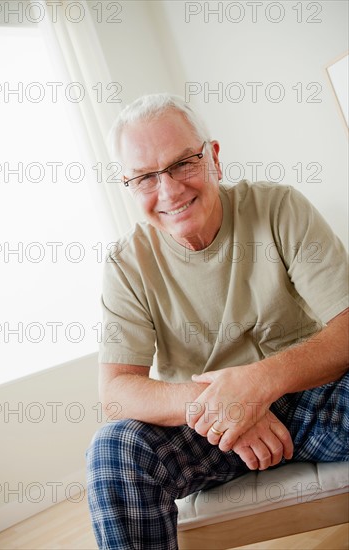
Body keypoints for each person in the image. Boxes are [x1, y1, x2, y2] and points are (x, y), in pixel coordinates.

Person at [86, 93, 348, 550]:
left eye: (184, 163)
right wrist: (226, 404)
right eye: (146, 177)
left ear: (215, 158)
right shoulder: (126, 264)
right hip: (207, 429)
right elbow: (116, 392)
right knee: (114, 448)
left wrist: (257, 385)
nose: (169, 191)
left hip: (309, 398)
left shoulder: (279, 208)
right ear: (128, 185)